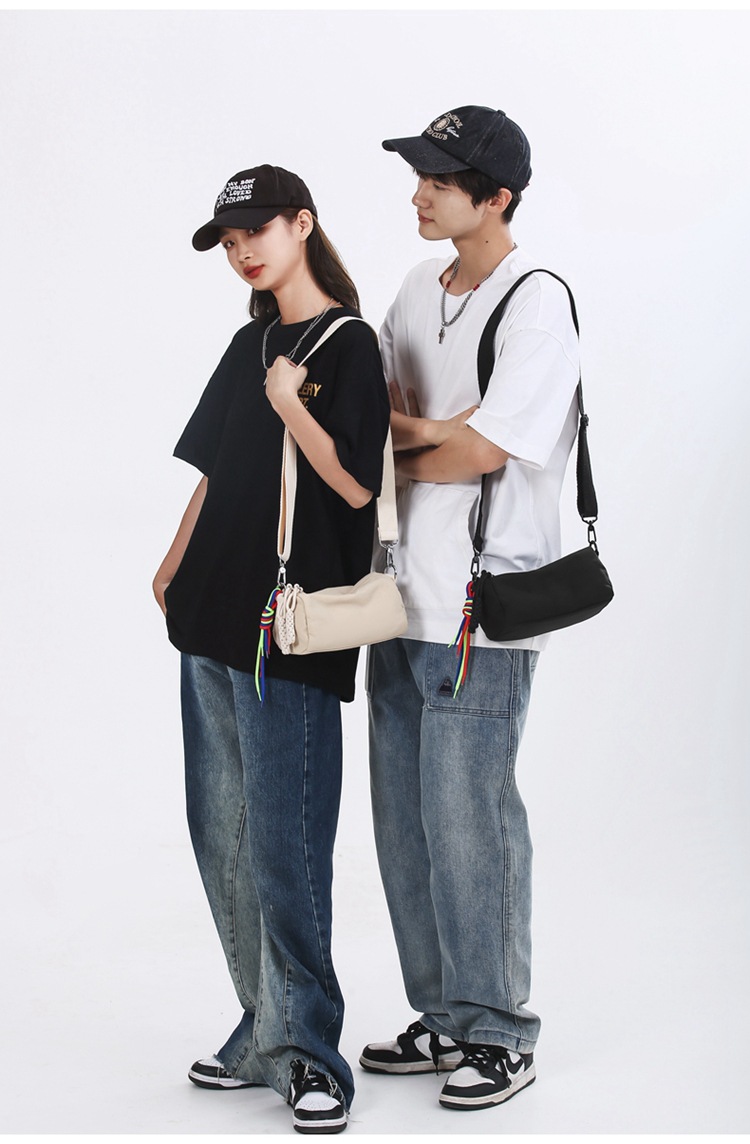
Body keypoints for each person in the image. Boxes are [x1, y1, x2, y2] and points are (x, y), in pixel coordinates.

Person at [153, 164, 390, 1134]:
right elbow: (213, 471)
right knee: (224, 838)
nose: (243, 251)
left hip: (286, 630)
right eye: (228, 240)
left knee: (286, 848)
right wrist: (171, 568)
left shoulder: (350, 344)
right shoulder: (248, 341)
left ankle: (310, 1052)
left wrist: (293, 404)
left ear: (303, 224)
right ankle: (263, 1026)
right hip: (209, 614)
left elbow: (358, 488)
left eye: (257, 230)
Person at [361, 107, 581, 1111]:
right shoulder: (418, 287)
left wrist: (419, 437)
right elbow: (374, 426)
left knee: (468, 820)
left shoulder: (537, 303)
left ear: (496, 198)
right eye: (419, 175)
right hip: (397, 594)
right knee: (406, 825)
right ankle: (445, 1014)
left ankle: (499, 1029)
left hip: (481, 611)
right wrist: (430, 431)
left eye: (441, 180)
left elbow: (485, 452)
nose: (420, 193)